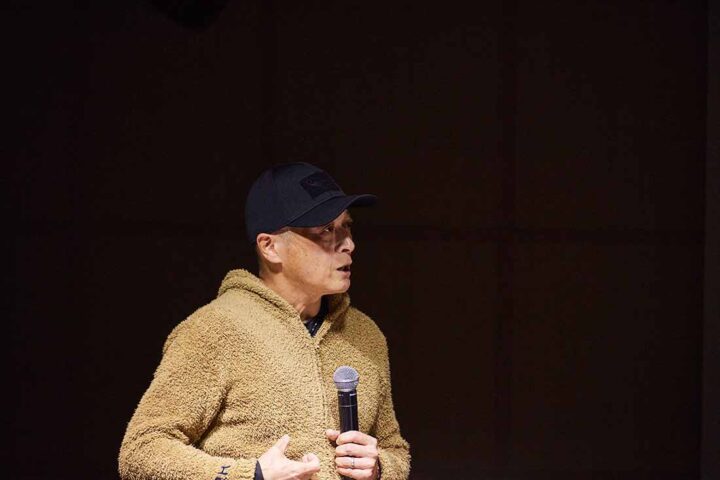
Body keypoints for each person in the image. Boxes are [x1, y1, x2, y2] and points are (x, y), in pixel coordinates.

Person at [119, 162, 411, 480]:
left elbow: (394, 449)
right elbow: (141, 451)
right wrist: (251, 474)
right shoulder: (214, 330)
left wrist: (379, 467)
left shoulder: (365, 334)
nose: (348, 244)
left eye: (347, 227)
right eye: (327, 230)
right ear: (270, 247)